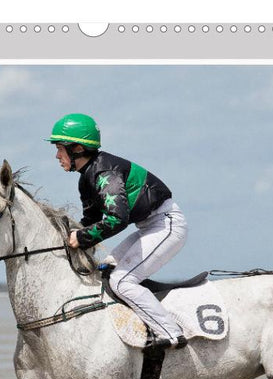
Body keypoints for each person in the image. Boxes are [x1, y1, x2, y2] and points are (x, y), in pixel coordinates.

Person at [46, 113, 189, 351]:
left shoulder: (104, 172)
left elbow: (116, 219)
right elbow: (90, 222)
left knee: (122, 281)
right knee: (108, 267)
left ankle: (171, 333)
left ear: (78, 149)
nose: (56, 156)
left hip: (166, 225)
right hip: (150, 226)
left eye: (60, 149)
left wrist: (80, 238)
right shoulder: (86, 179)